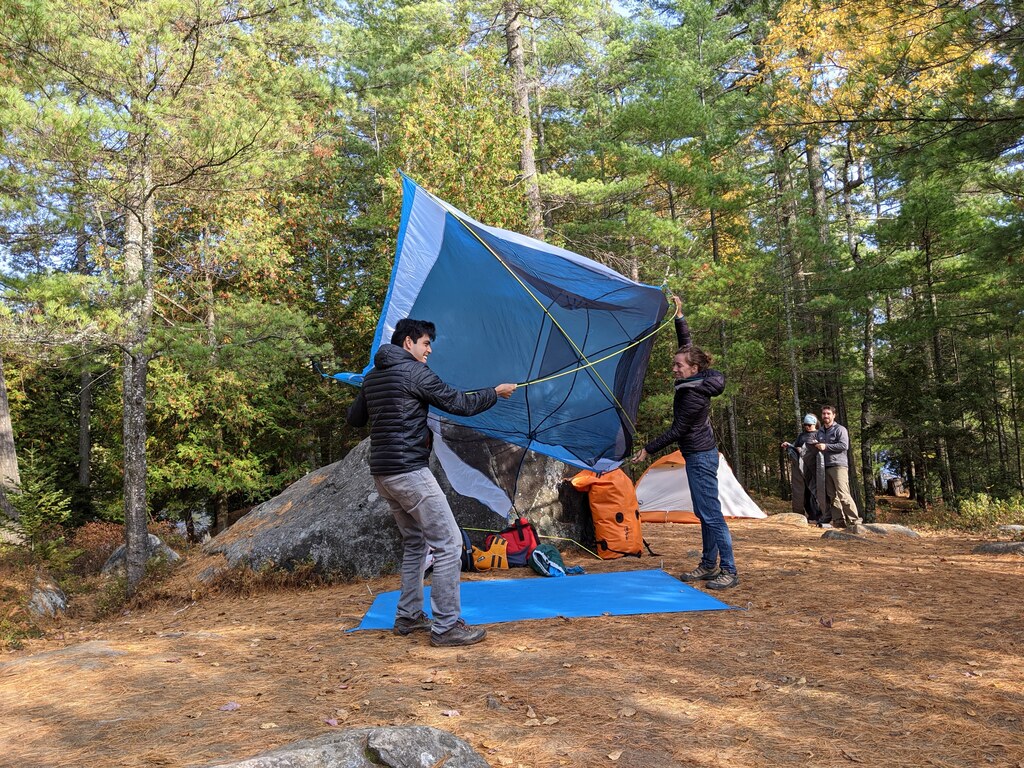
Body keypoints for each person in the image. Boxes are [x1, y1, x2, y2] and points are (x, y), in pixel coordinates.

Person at [347, 318, 517, 647]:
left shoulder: (374, 376)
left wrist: (374, 392)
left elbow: (354, 419)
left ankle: (408, 615)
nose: (429, 350)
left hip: (383, 474)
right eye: (425, 343)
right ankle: (446, 627)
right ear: (407, 342)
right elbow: (460, 404)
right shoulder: (414, 372)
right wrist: (496, 392)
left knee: (415, 544)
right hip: (408, 471)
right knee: (449, 544)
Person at [631, 297, 738, 589]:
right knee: (705, 512)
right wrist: (680, 318)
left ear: (693, 369)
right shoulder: (696, 380)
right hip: (698, 455)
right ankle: (707, 564)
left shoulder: (693, 394)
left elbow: (678, 429)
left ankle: (729, 570)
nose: (674, 369)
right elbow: (688, 348)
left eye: (679, 365)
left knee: (711, 514)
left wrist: (648, 449)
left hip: (701, 456)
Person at [814, 404, 862, 529]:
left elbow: (844, 446)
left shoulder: (840, 429)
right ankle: (838, 522)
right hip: (825, 466)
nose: (826, 416)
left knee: (843, 494)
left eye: (828, 414)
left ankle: (854, 522)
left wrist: (826, 446)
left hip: (839, 466)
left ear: (833, 415)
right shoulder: (819, 432)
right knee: (832, 496)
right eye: (824, 414)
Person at [781, 414, 826, 525]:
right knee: (801, 492)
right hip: (800, 467)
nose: (807, 427)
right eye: (805, 425)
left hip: (814, 467)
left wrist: (807, 449)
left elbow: (822, 449)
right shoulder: (802, 436)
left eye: (809, 425)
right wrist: (789, 446)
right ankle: (800, 516)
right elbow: (796, 447)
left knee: (814, 491)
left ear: (815, 424)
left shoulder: (819, 434)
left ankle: (818, 516)